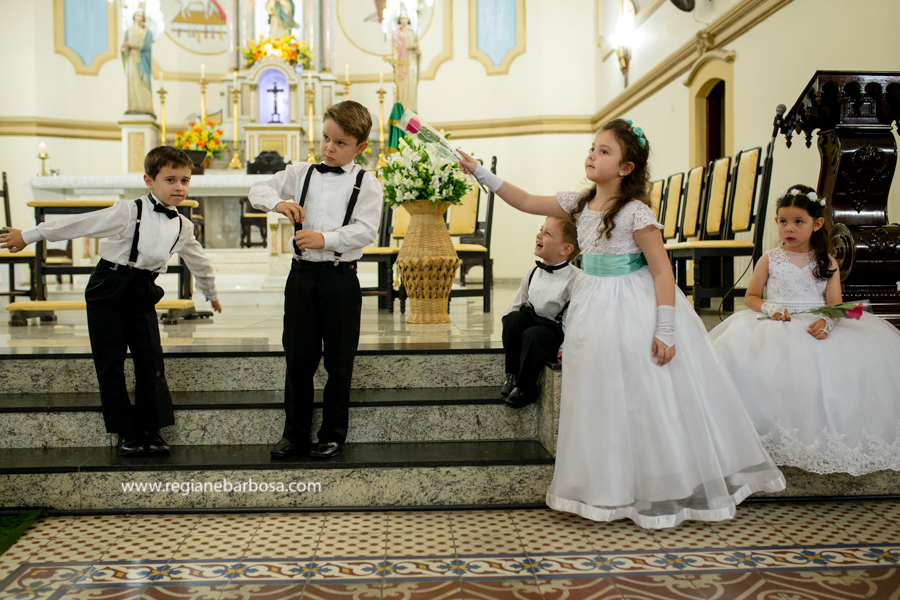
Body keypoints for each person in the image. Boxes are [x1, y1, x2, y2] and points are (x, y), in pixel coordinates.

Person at [459, 119, 785, 529]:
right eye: (592, 148)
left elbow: (663, 272)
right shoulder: (579, 202)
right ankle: (608, 487)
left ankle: (659, 483)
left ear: (626, 168)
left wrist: (665, 328)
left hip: (633, 303)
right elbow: (524, 200)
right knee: (601, 393)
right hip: (593, 301)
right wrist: (480, 172)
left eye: (604, 151)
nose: (592, 155)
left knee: (640, 392)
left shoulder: (635, 212)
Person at [0, 146, 221, 457]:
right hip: (109, 285)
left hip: (143, 289)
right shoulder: (128, 211)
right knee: (110, 362)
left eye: (185, 181)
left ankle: (150, 428)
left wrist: (210, 293)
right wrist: (30, 234)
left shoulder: (183, 226)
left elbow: (199, 261)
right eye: (170, 180)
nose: (179, 187)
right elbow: (80, 224)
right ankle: (126, 431)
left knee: (150, 360)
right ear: (149, 180)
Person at [710, 185, 900, 475]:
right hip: (775, 323)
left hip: (815, 322)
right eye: (783, 221)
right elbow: (751, 297)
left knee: (828, 376)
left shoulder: (827, 262)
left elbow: (836, 304)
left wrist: (828, 320)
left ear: (817, 224)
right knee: (760, 367)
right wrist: (769, 308)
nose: (789, 228)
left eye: (798, 222)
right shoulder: (769, 259)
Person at [248, 101, 381, 460]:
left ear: (360, 147)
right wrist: (277, 204)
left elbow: (366, 230)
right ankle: (295, 435)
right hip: (302, 279)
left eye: (340, 143)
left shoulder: (367, 183)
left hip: (340, 281)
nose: (329, 148)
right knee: (299, 358)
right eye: (325, 138)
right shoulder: (301, 172)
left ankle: (333, 433)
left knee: (339, 361)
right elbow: (257, 189)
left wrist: (326, 239)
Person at [501, 216, 581, 409]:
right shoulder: (533, 272)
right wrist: (509, 324)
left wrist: (564, 347)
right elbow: (517, 303)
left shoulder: (575, 279)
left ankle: (525, 386)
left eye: (547, 233)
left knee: (533, 335)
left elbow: (572, 319)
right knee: (513, 319)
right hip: (533, 317)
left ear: (566, 249)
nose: (539, 235)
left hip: (553, 327)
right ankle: (511, 374)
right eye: (541, 229)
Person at [122, 9, 154, 115]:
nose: (139, 18)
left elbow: (147, 46)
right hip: (131, 60)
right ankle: (134, 106)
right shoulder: (129, 31)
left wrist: (131, 45)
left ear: (143, 19)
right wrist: (125, 49)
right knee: (133, 82)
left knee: (143, 81)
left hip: (142, 60)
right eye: (137, 15)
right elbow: (124, 46)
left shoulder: (147, 32)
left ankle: (146, 106)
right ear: (134, 17)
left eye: (141, 16)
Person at [391, 12, 420, 112]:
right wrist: (411, 45)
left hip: (411, 60)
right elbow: (396, 47)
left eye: (405, 18)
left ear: (408, 20)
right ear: (399, 20)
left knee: (411, 83)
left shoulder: (412, 32)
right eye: (402, 18)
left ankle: (411, 107)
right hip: (401, 61)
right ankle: (401, 107)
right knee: (402, 84)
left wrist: (418, 51)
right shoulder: (396, 33)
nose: (404, 20)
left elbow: (417, 47)